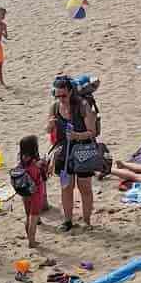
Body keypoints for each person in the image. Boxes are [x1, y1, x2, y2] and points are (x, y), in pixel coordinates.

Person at [47, 75, 99, 231]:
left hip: (83, 150)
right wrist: (49, 126)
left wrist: (77, 135)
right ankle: (68, 221)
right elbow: (48, 131)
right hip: (64, 151)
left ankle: (87, 221)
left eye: (63, 95)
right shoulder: (55, 107)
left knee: (85, 188)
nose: (60, 98)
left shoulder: (82, 106)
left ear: (70, 92)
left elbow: (93, 132)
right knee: (66, 187)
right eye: (57, 95)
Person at [16, 134, 49, 248]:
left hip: (25, 191)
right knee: (34, 218)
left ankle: (29, 238)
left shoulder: (21, 160)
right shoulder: (36, 163)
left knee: (27, 216)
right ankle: (32, 241)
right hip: (36, 192)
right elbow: (44, 173)